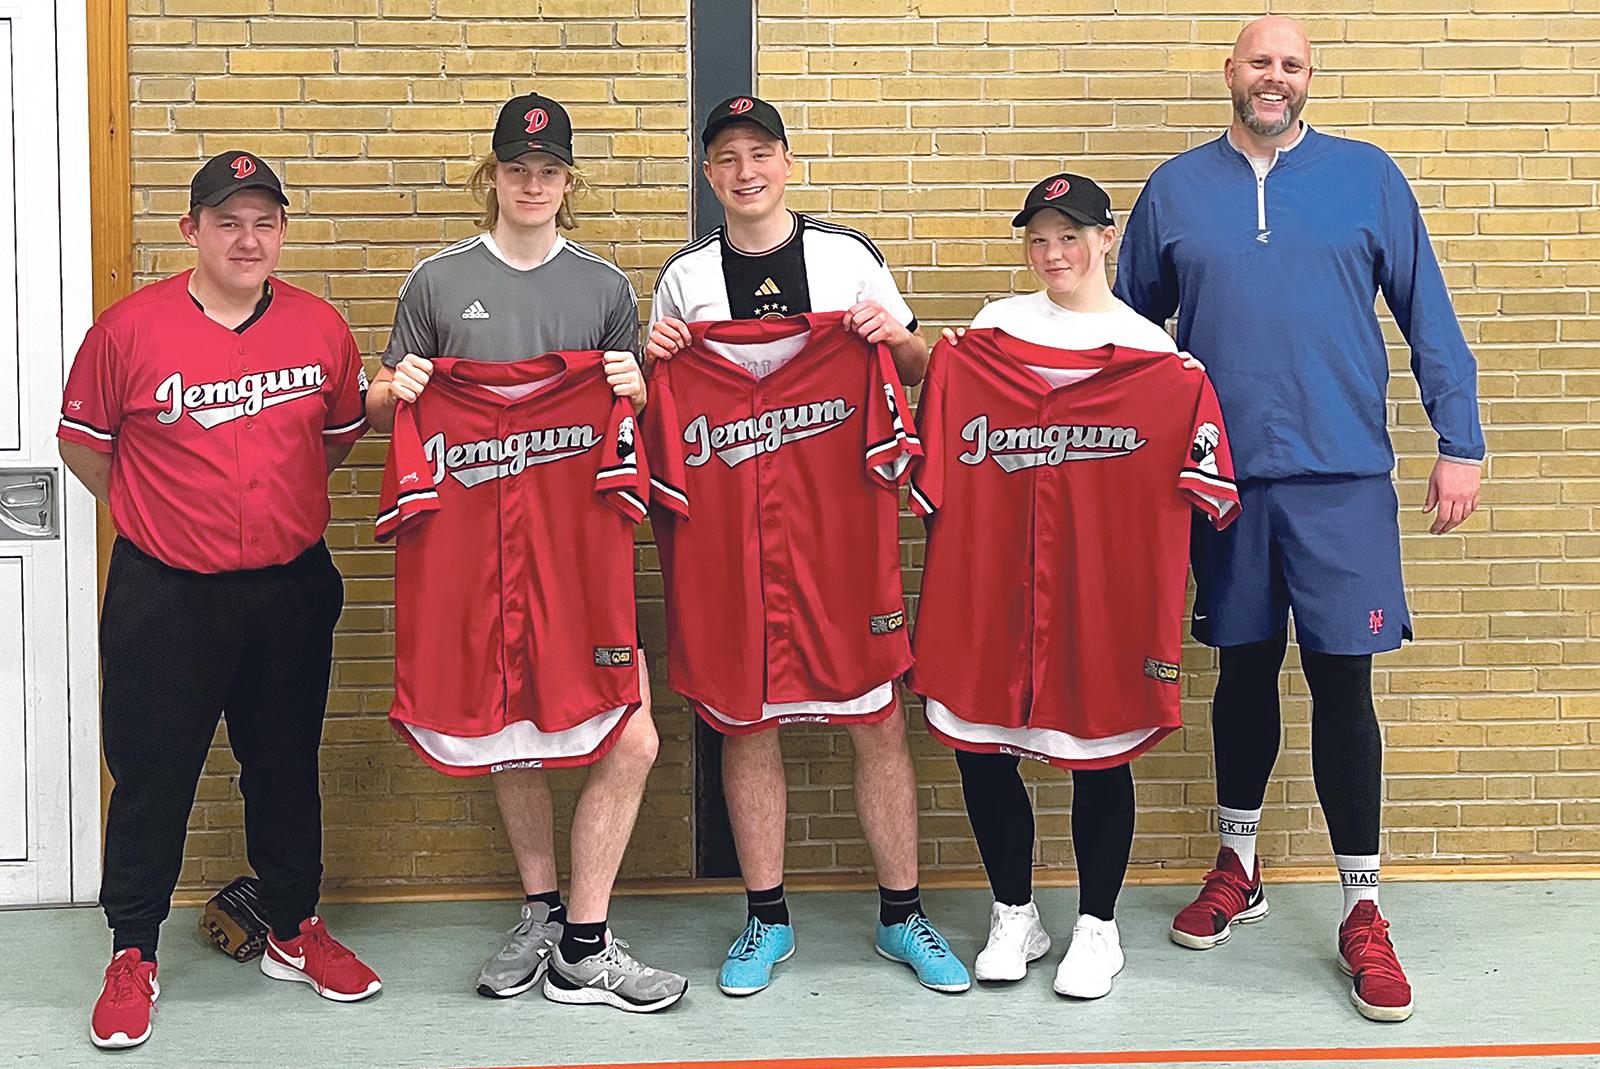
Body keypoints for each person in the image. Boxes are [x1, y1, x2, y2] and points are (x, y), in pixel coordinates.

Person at [1114, 16, 1485, 1023]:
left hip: (1343, 480)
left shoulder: (1366, 177)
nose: (1273, 77)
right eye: (1258, 62)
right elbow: (1129, 331)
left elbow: (1429, 314)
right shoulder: (1175, 190)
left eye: (1291, 64)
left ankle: (1363, 908)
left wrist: (1459, 441)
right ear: (1229, 73)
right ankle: (1237, 865)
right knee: (1240, 672)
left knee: (1341, 685)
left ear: (1308, 78)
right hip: (1225, 483)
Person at [365, 93, 686, 1013]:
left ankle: (584, 941)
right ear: (493, 176)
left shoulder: (604, 289)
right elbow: (383, 409)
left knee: (633, 735)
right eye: (516, 169)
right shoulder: (437, 282)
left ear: (568, 182)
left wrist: (637, 390)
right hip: (476, 549)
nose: (532, 184)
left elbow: (638, 429)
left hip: (576, 552)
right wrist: (397, 388)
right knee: (513, 738)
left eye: (547, 171)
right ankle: (547, 915)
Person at [647, 96, 968, 997]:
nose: (745, 171)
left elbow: (919, 371)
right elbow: (658, 408)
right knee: (745, 723)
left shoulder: (847, 257)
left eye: (760, 153)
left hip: (840, 537)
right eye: (727, 159)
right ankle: (767, 916)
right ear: (709, 175)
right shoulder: (686, 278)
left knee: (877, 717)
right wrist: (658, 355)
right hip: (731, 540)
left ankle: (902, 913)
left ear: (787, 161)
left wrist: (892, 337)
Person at [59, 151, 378, 1050]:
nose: (247, 239)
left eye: (263, 222)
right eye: (227, 221)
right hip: (167, 593)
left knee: (284, 764)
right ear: (191, 229)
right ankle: (133, 950)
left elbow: (335, 438)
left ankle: (292, 927)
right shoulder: (128, 330)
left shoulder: (319, 327)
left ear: (282, 232)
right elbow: (84, 445)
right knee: (153, 775)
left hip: (287, 587)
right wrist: (147, 513)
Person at [924, 174, 1214, 1000]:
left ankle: (1097, 924)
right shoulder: (989, 333)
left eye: (1070, 236)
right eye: (1039, 238)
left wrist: (1185, 393)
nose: (1053, 253)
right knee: (979, 746)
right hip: (993, 586)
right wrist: (954, 363)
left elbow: (1203, 485)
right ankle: (1014, 911)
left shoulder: (1157, 360)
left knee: (1099, 754)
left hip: (1100, 593)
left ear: (1107, 239)